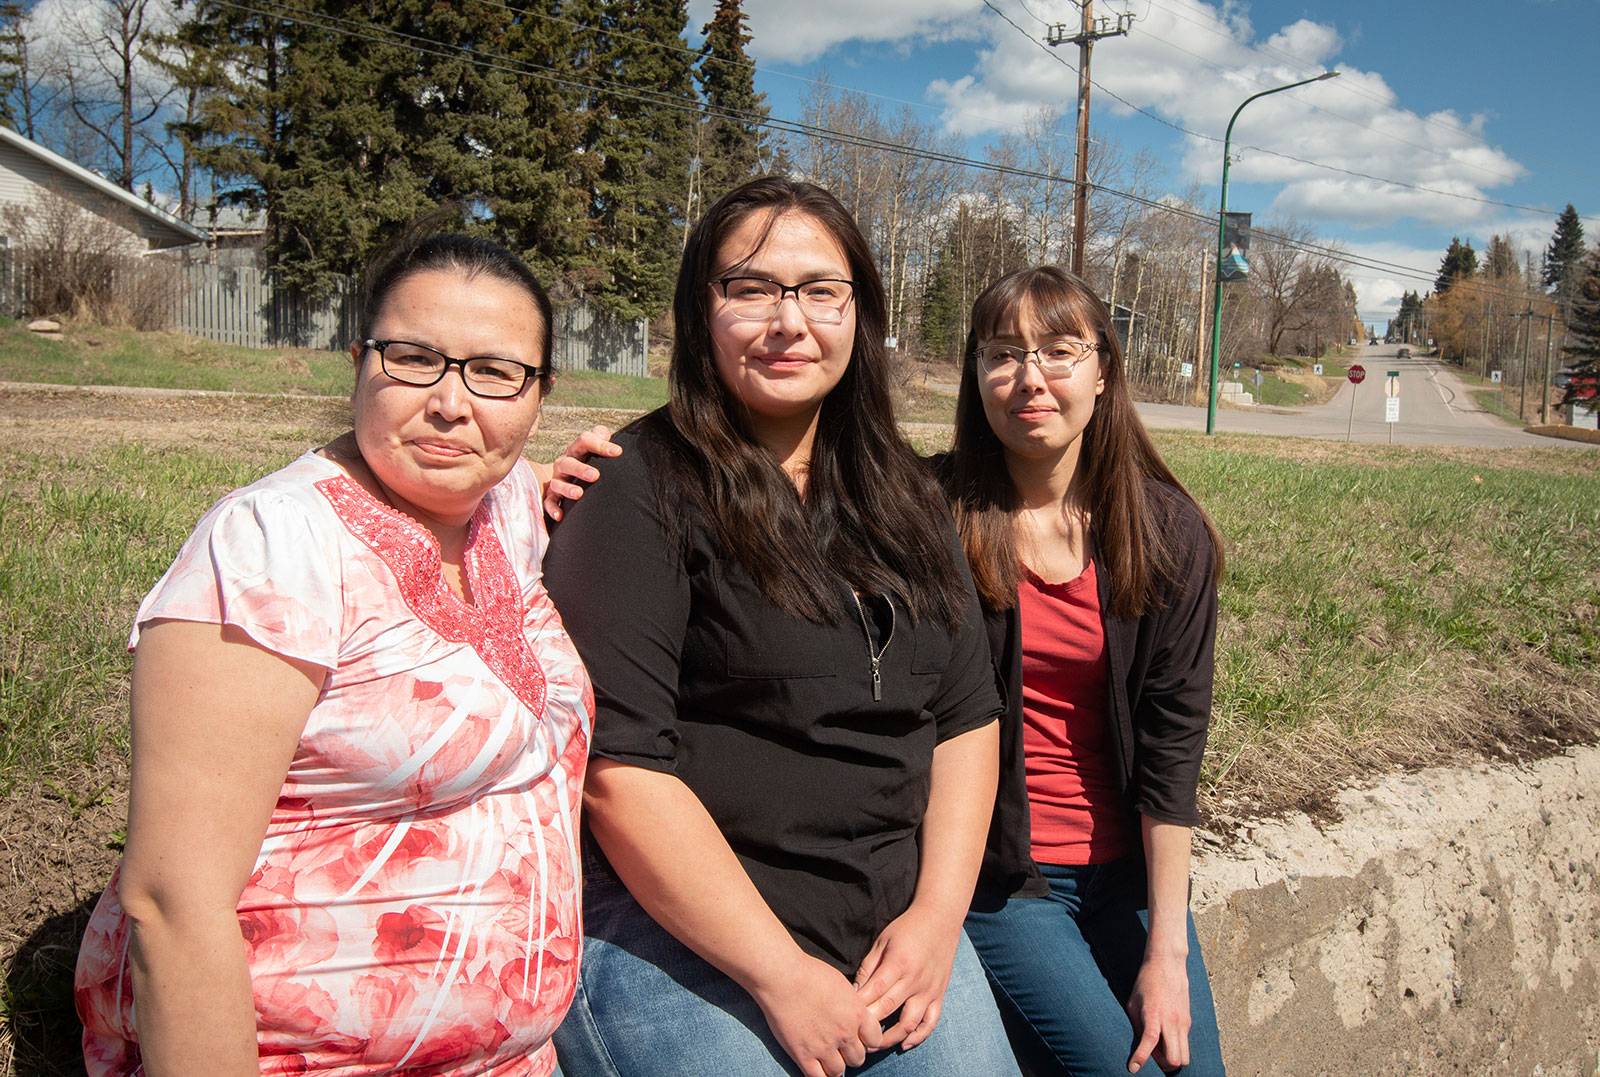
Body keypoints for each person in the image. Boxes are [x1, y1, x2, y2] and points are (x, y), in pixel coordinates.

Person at [74, 233, 597, 1077]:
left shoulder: (503, 509)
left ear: (536, 396)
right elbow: (172, 901)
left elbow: (520, 476)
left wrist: (570, 476)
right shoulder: (272, 546)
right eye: (414, 358)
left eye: (495, 372)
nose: (451, 403)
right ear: (358, 362)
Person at [542, 177, 1021, 1077]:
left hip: (889, 930)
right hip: (686, 940)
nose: (787, 320)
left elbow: (965, 718)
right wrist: (778, 973)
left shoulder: (910, 498)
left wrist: (935, 922)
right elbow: (620, 770)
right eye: (750, 287)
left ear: (860, 314)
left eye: (819, 290)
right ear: (700, 309)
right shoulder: (638, 488)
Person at [939, 266, 1227, 1076]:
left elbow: (1174, 755)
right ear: (976, 374)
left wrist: (1166, 950)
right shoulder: (930, 511)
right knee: (1115, 1066)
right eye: (1003, 353)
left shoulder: (1169, 534)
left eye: (1059, 351)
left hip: (1127, 873)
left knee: (1190, 1067)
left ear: (1104, 371)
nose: (1030, 376)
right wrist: (590, 482)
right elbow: (789, 496)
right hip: (1004, 877)